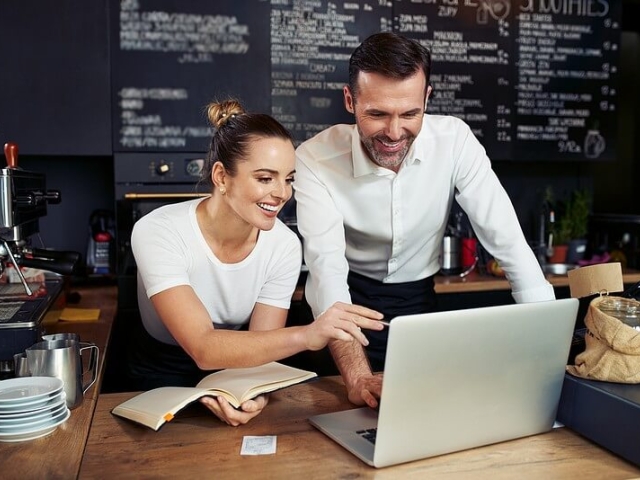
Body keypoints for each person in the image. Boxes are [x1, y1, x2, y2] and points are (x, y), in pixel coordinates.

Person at [293, 32, 555, 409]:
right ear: (350, 100)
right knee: (349, 413)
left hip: (419, 301)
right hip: (349, 302)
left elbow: (508, 241)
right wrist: (357, 377)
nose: (395, 133)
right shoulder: (315, 158)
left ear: (427, 98)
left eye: (410, 113)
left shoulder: (455, 142)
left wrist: (547, 345)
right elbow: (326, 269)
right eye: (377, 114)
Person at [129, 99, 384, 426]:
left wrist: (250, 392)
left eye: (289, 179)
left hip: (238, 361)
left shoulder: (284, 246)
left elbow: (262, 352)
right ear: (221, 176)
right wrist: (309, 334)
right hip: (158, 372)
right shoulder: (157, 230)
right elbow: (204, 347)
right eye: (265, 178)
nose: (282, 193)